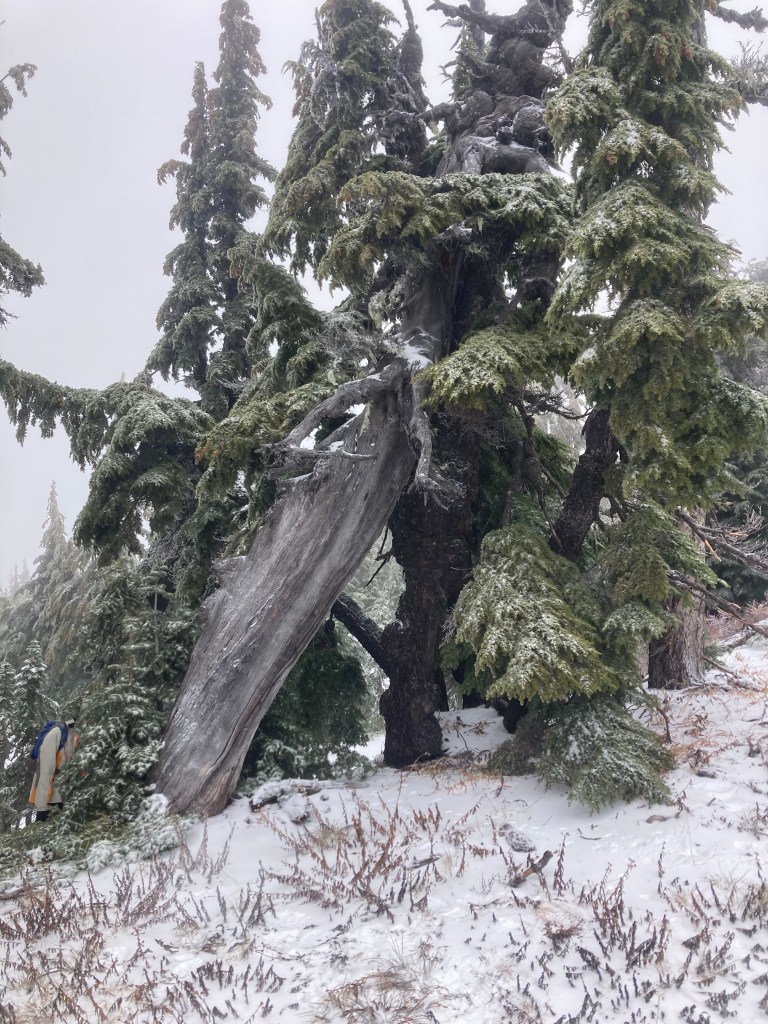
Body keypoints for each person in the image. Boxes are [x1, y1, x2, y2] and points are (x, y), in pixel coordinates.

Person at [29, 718, 79, 822]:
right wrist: (42, 808)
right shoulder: (58, 733)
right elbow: (45, 771)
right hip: (54, 799)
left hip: (74, 798)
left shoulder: (88, 732)